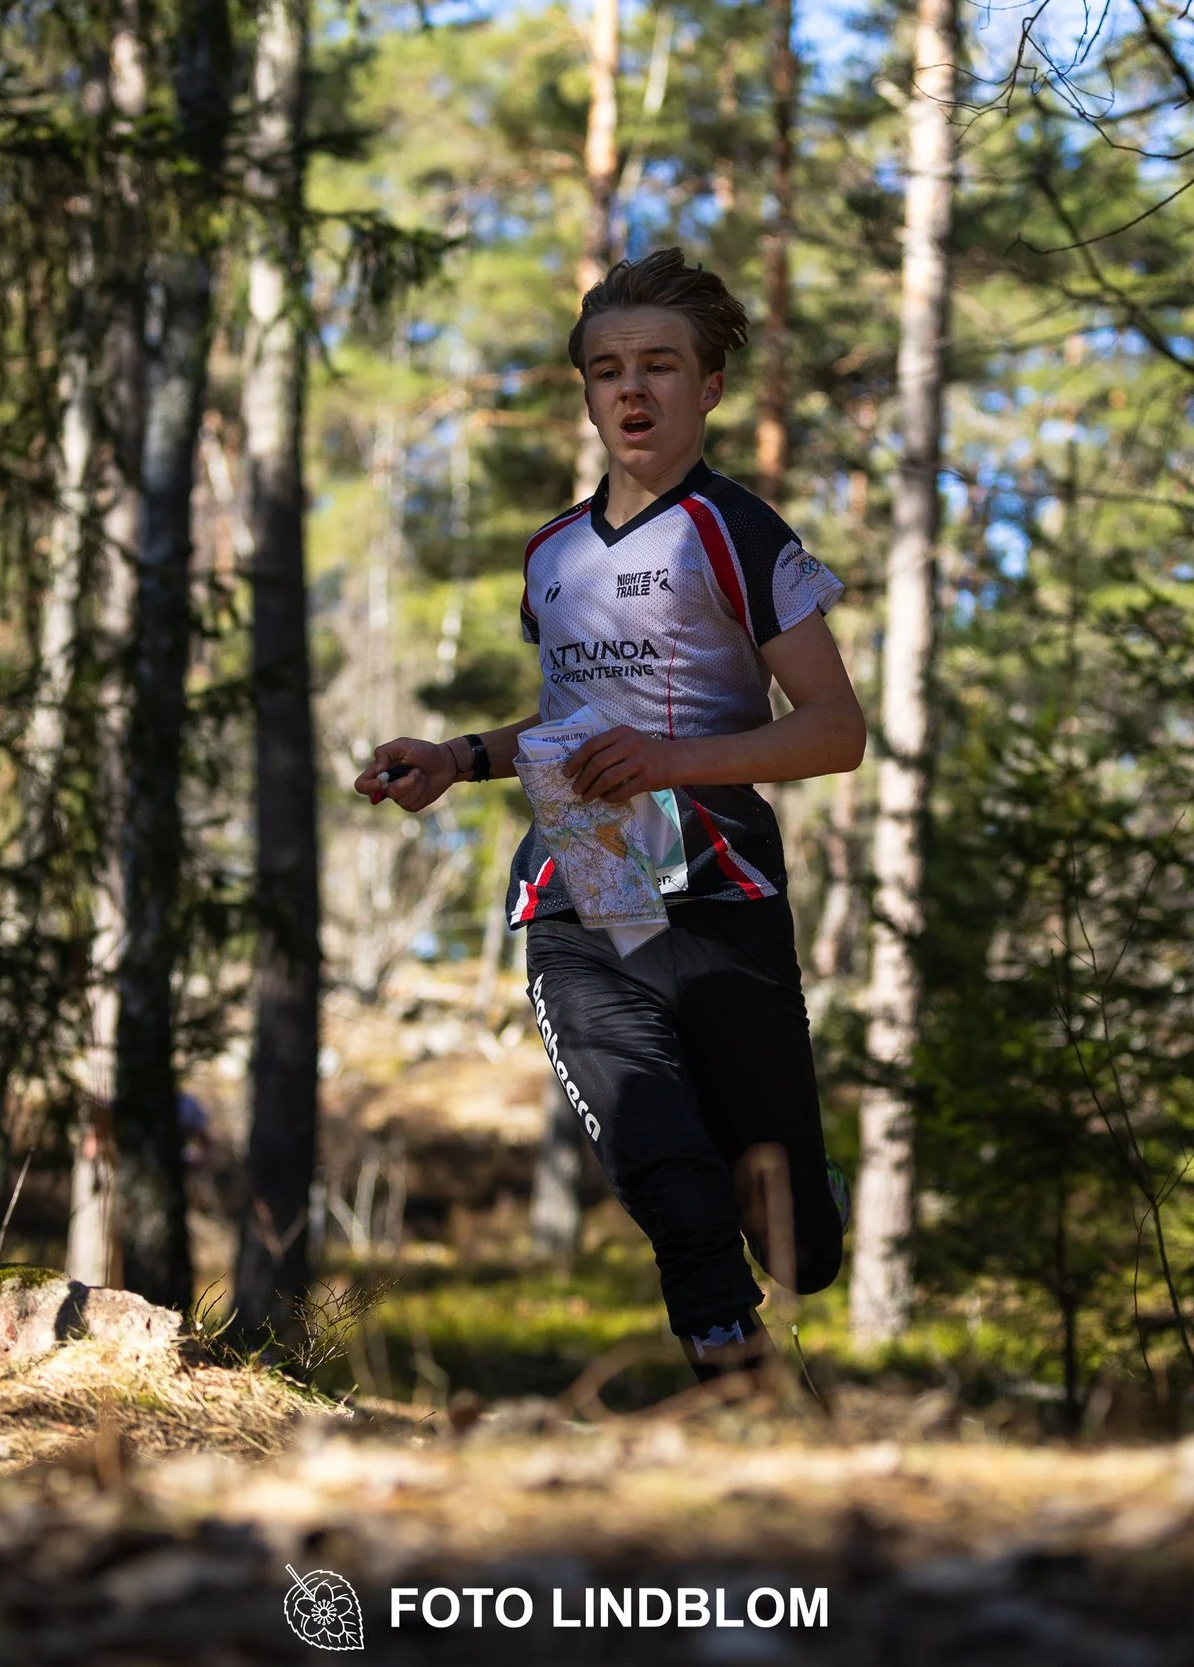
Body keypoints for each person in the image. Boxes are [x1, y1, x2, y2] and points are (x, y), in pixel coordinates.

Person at [352, 247, 866, 1383]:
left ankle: (794, 1225)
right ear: (585, 391)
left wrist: (672, 760)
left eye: (660, 367)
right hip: (584, 890)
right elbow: (569, 726)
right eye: (606, 369)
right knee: (653, 1143)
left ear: (709, 387)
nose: (631, 390)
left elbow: (836, 730)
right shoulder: (550, 553)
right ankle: (729, 1369)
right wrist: (454, 756)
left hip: (725, 891)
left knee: (792, 1237)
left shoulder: (740, 532)